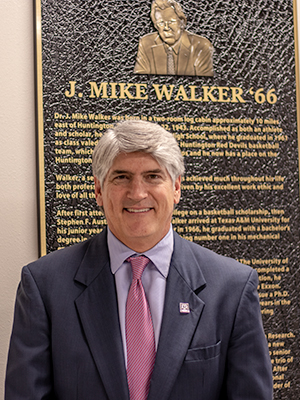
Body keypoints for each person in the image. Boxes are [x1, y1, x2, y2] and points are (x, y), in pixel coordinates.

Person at [5, 120, 273, 400]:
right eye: (121, 177)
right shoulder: (44, 286)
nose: (137, 193)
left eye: (153, 176)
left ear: (176, 188)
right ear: (98, 190)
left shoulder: (232, 288)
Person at [134, 0, 214, 76]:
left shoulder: (201, 46)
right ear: (156, 26)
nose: (166, 28)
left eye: (171, 22)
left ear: (182, 23)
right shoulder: (146, 43)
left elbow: (205, 84)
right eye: (161, 23)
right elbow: (139, 81)